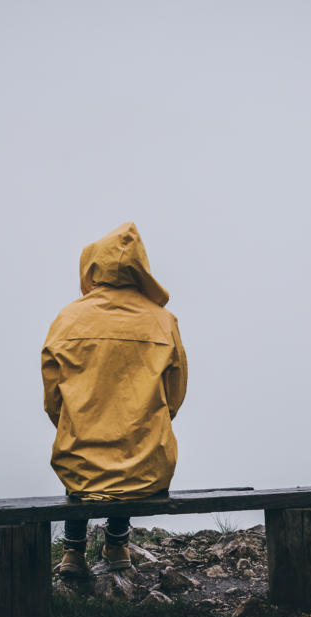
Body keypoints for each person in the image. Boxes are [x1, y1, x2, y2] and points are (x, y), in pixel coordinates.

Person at [42, 222, 188, 576]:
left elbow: (52, 399)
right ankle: (117, 544)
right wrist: (145, 421)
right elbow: (174, 395)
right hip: (146, 466)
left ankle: (73, 553)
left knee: (81, 450)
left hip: (79, 462)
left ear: (92, 266)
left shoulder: (67, 319)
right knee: (133, 445)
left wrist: (77, 423)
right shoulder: (163, 321)